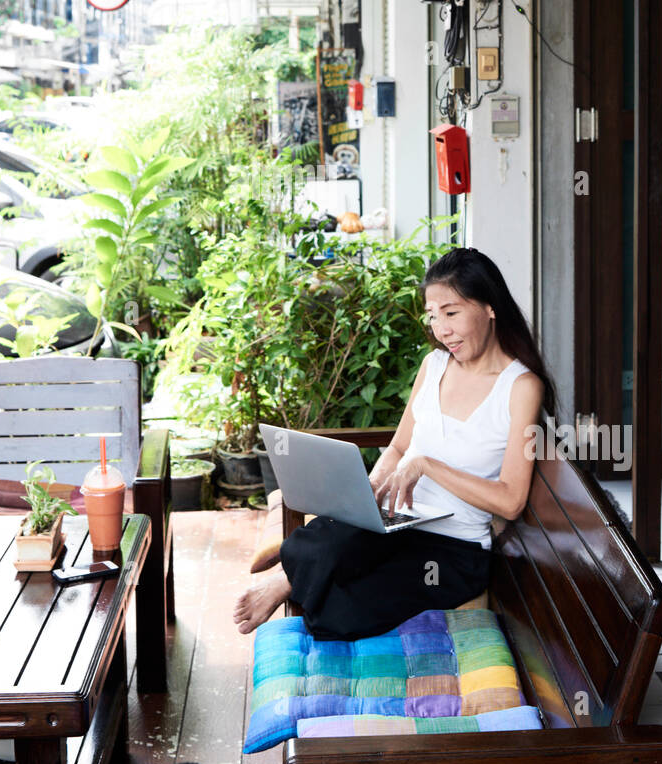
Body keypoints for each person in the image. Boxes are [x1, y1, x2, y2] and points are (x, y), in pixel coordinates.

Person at [233, 247, 556, 641]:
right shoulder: (434, 365)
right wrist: (370, 492)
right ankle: (295, 570)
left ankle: (289, 575)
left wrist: (429, 465)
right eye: (433, 316)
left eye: (451, 313)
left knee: (341, 610)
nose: (442, 330)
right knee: (329, 540)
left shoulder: (520, 387)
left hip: (453, 549)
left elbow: (511, 500)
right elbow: (399, 449)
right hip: (398, 522)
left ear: (490, 307)